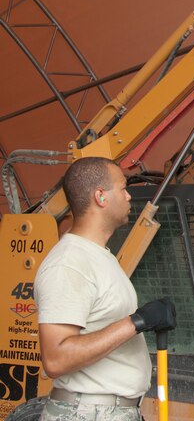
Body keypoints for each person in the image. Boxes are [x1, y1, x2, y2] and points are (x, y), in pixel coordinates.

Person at [34, 157, 176, 421]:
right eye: (122, 188)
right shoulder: (69, 264)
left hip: (107, 411)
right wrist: (137, 322)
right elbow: (56, 360)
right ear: (101, 197)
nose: (128, 196)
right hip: (88, 413)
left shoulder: (99, 256)